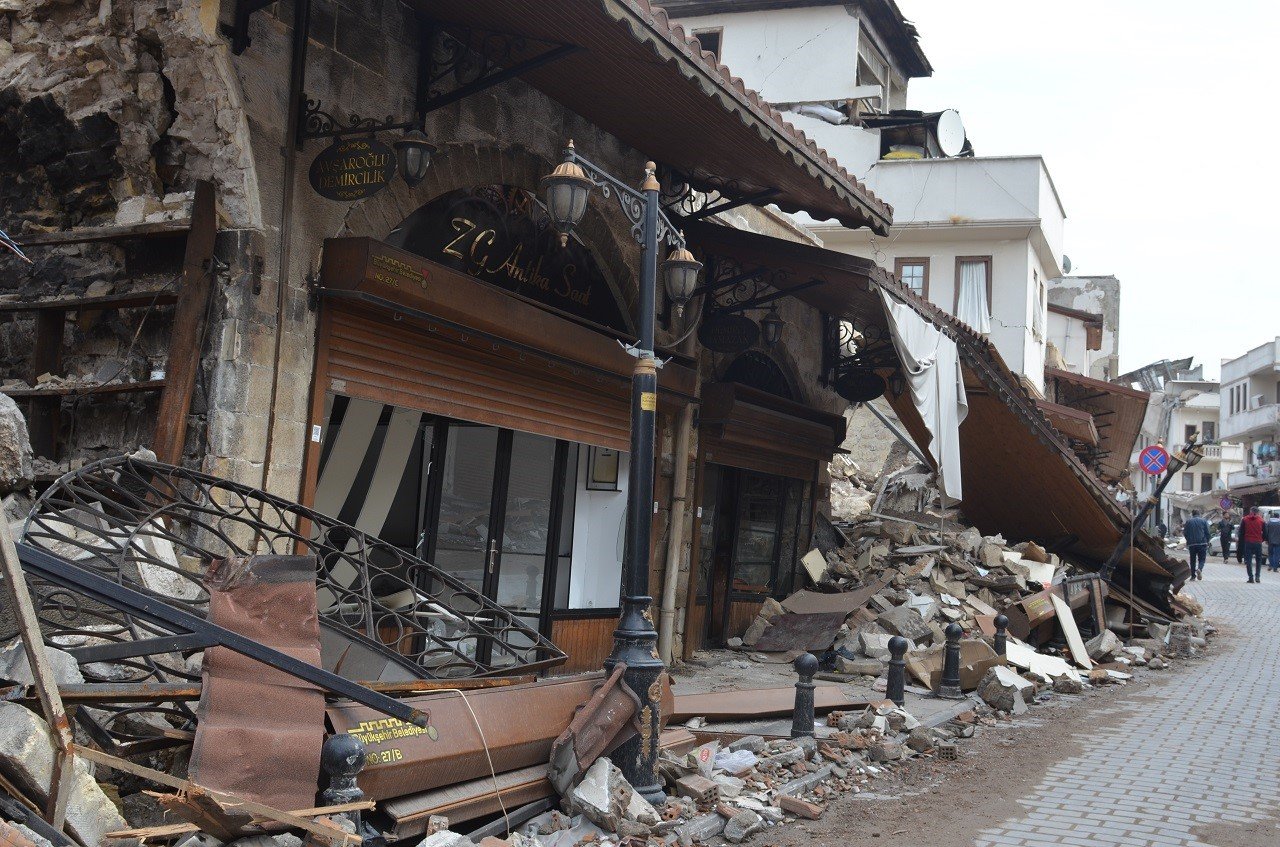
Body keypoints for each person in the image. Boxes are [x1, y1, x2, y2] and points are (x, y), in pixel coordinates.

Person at [1182, 509, 1210, 580]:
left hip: (1192, 544)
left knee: (1192, 560)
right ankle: (1199, 569)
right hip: (1202, 543)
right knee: (1202, 559)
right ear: (1199, 514)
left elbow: (1185, 533)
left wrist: (1188, 540)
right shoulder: (1203, 521)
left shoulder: (1188, 522)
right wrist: (1207, 541)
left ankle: (1193, 576)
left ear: (1192, 514)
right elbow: (1207, 532)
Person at [1241, 506, 1266, 583]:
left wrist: (1244, 540)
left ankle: (1251, 578)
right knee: (1258, 560)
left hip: (1248, 542)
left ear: (1250, 511)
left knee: (1248, 560)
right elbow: (1265, 533)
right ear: (1257, 512)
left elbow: (1241, 531)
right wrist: (1262, 540)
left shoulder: (1244, 519)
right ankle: (1257, 577)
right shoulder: (1261, 520)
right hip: (1258, 542)